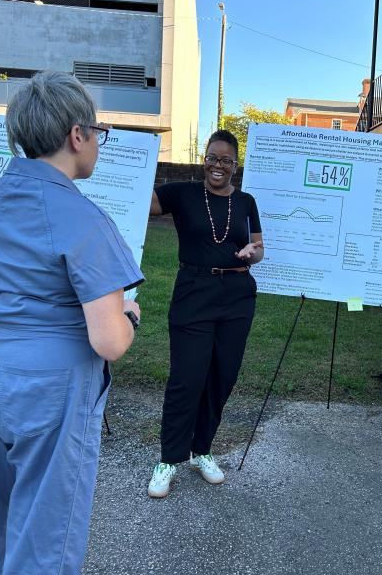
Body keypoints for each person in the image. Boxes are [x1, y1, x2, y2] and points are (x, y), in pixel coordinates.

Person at [0, 71, 143, 574]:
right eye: (99, 132)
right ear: (76, 135)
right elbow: (109, 342)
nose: (99, 143)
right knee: (45, 540)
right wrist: (130, 316)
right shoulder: (83, 218)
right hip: (48, 390)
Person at [147, 129, 264, 498]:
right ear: (204, 159)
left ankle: (201, 450)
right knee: (187, 377)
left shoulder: (246, 201)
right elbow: (141, 201)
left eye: (226, 160)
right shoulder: (181, 192)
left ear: (235, 166)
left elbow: (259, 247)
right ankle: (169, 458)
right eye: (212, 158)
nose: (218, 165)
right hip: (194, 292)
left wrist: (252, 253)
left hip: (237, 295)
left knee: (221, 376)